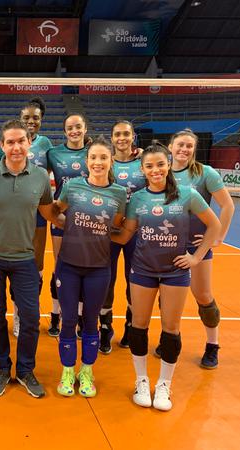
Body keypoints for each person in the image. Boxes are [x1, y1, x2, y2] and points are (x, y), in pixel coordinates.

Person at [113, 142, 221, 411]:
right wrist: (90, 228)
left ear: (168, 164)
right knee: (139, 326)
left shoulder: (187, 194)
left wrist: (196, 257)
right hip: (143, 270)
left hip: (175, 272)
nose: (155, 170)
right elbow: (126, 235)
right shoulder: (137, 198)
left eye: (160, 164)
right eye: (149, 166)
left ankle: (164, 384)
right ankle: (141, 380)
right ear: (143, 169)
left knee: (171, 330)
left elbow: (214, 225)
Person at [0, 119, 62, 398]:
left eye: (21, 141)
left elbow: (49, 214)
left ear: (29, 143)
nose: (16, 147)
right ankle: (1, 366)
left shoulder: (41, 177)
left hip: (24, 258)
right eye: (11, 142)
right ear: (2, 145)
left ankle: (24, 369)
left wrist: (85, 223)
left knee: (31, 317)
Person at [54, 137, 126, 397]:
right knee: (68, 320)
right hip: (68, 266)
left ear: (111, 161)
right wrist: (68, 225)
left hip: (98, 267)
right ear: (86, 161)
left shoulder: (118, 193)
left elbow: (116, 224)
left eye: (103, 158)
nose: (98, 162)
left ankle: (86, 371)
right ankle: (67, 371)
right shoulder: (72, 187)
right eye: (93, 158)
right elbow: (55, 211)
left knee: (91, 322)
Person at [159, 128, 234, 369]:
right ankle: (170, 338)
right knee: (167, 298)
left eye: (189, 146)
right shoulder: (162, 172)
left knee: (203, 296)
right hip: (166, 245)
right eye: (180, 144)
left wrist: (218, 236)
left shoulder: (204, 173)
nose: (184, 149)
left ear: (194, 149)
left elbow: (227, 205)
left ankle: (212, 346)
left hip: (196, 246)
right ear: (170, 146)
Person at [10, 97, 54, 338]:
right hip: (15, 211)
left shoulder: (46, 144)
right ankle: (17, 314)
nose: (31, 121)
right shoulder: (12, 142)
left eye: (35, 117)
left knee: (35, 264)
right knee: (15, 262)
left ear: (41, 119)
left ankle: (28, 312)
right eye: (26, 117)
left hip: (38, 209)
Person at [101, 120, 146, 353]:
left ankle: (131, 325)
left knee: (135, 281)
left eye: (126, 134)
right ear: (111, 137)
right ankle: (105, 327)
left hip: (137, 232)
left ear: (133, 136)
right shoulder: (106, 164)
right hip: (109, 231)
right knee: (106, 279)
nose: (122, 138)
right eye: (117, 134)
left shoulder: (143, 163)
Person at [46, 113, 90, 337]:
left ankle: (80, 315)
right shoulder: (53, 153)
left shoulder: (93, 152)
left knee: (83, 267)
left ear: (85, 129)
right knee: (60, 267)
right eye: (70, 128)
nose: (74, 131)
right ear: (64, 131)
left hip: (88, 218)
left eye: (78, 127)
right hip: (61, 217)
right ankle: (56, 313)